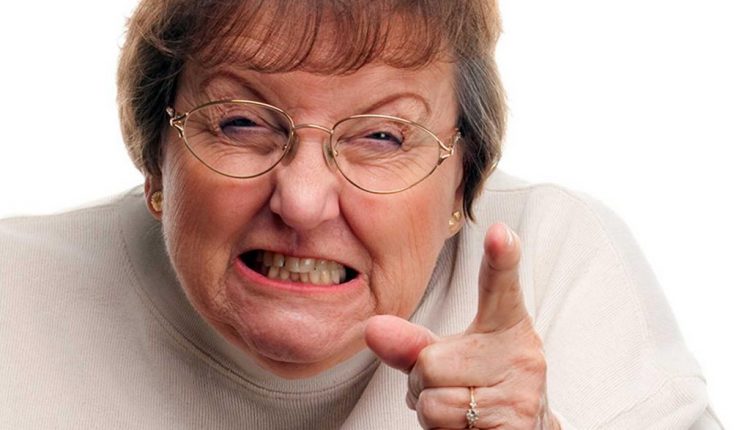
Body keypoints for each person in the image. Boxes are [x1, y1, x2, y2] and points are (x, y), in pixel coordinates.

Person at [0, 0, 723, 428]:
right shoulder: (14, 299)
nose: (302, 200)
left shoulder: (558, 264)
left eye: (381, 136)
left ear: (462, 183)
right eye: (242, 122)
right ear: (157, 158)